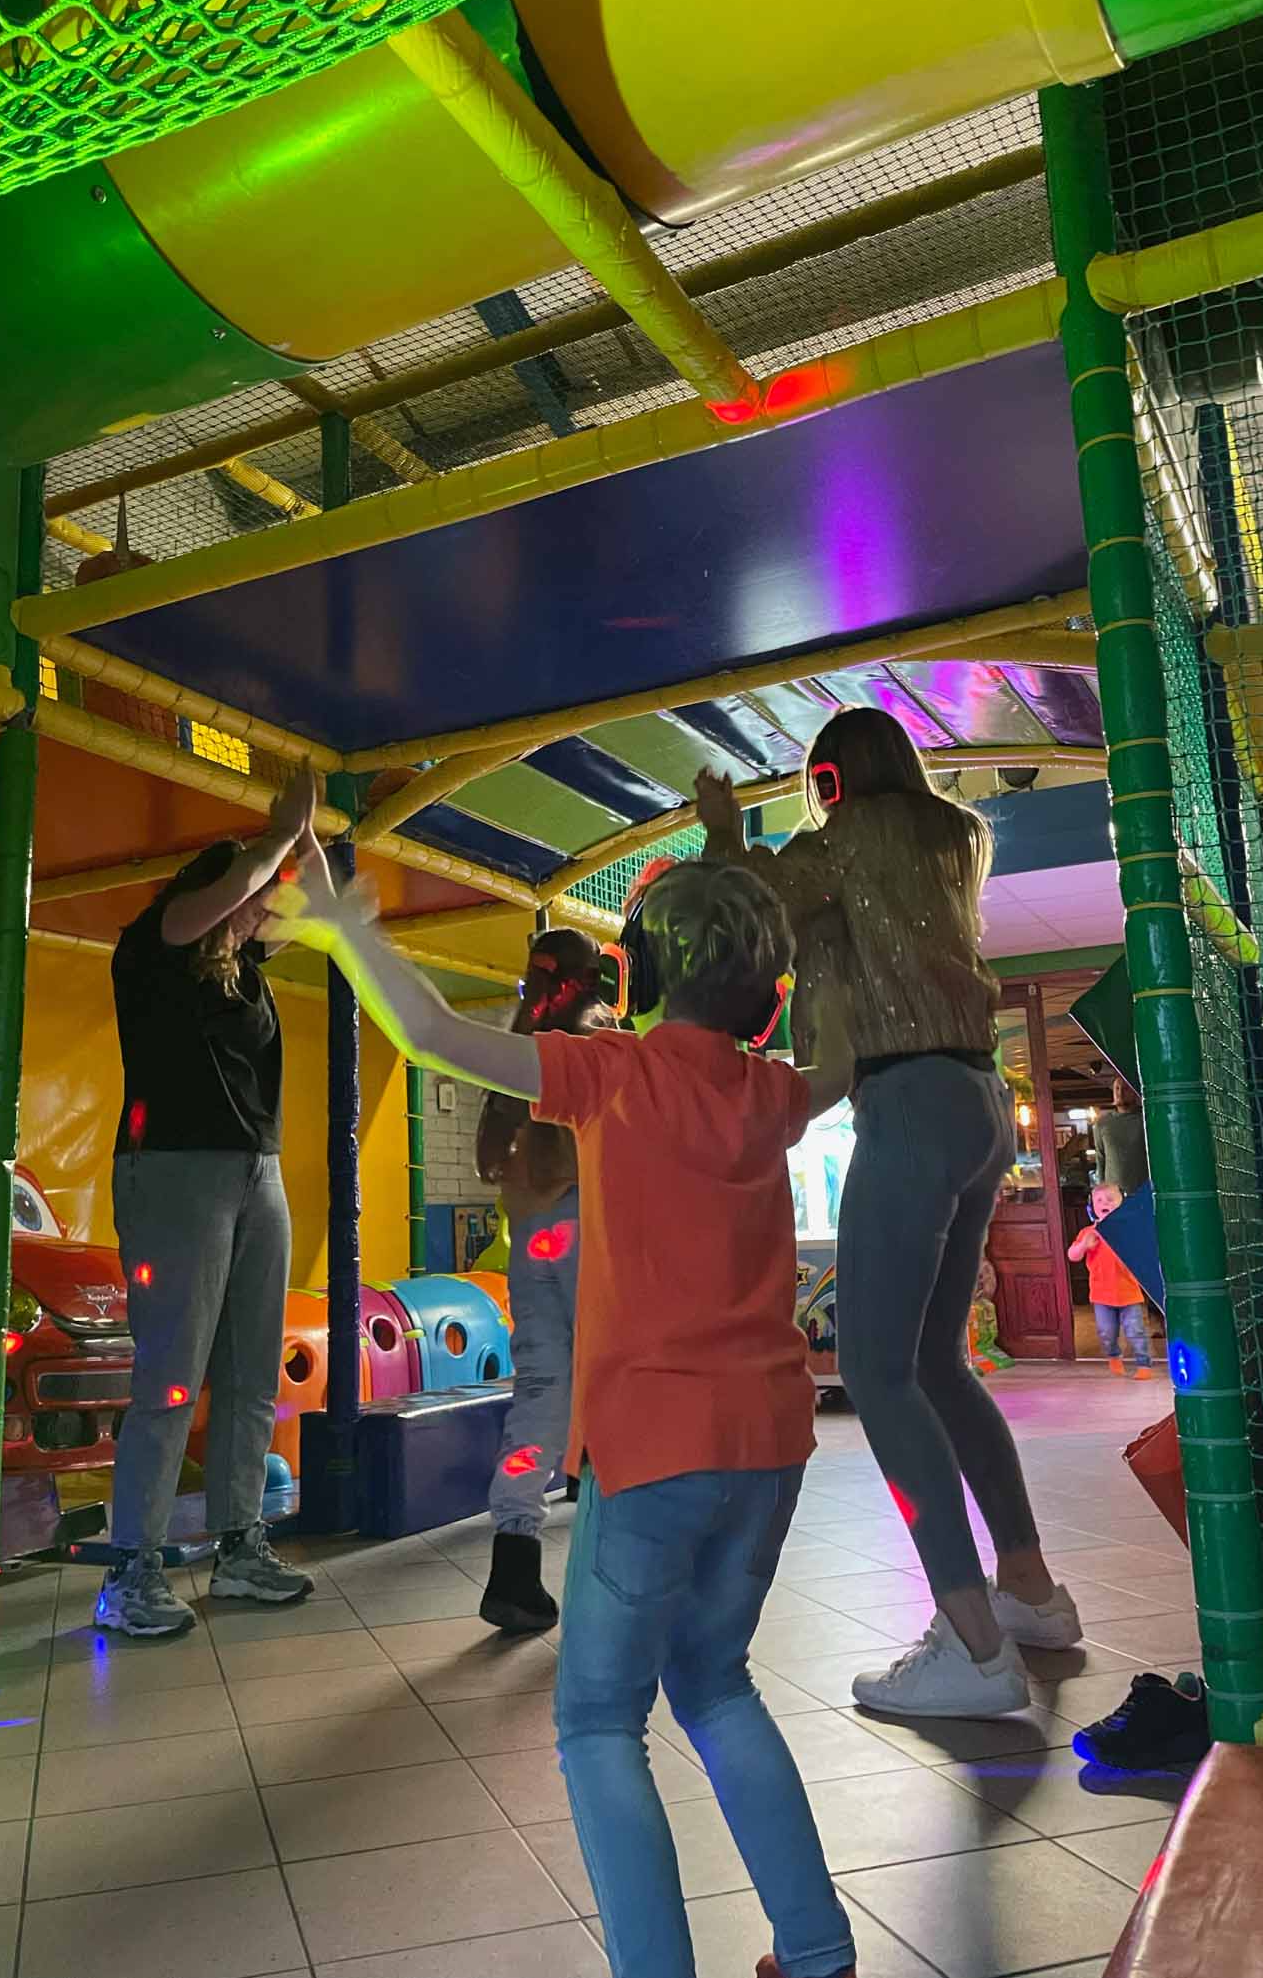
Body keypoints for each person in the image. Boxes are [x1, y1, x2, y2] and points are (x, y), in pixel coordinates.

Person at [279, 832, 858, 1978]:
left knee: (598, 1720)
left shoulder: (614, 1074)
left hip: (654, 1448)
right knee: (716, 1682)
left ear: (640, 974)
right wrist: (833, 953)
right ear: (763, 996)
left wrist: (349, 930)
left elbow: (431, 1035)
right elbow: (838, 1064)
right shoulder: (773, 1092)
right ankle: (819, 1949)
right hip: (772, 1444)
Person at [698, 707, 1081, 1720]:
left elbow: (755, 902)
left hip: (906, 1100)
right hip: (978, 1099)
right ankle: (1030, 1590)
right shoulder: (952, 838)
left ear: (832, 779)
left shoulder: (848, 838)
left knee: (873, 1371)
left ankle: (973, 1641)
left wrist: (728, 832)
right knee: (941, 1365)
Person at [96, 776, 319, 1638]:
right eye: (251, 894)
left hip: (255, 1170)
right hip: (175, 1173)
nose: (264, 909)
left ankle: (238, 1547)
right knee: (172, 1375)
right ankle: (131, 1569)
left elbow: (307, 906)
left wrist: (306, 846)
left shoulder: (245, 968)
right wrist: (276, 838)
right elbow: (229, 895)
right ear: (219, 888)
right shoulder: (154, 944)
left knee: (250, 1371)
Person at [473, 929, 610, 1633]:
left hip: (532, 1235)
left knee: (540, 1391)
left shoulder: (517, 1043)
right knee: (611, 1383)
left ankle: (515, 1560)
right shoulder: (600, 1034)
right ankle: (612, 1565)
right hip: (591, 1225)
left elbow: (487, 1158)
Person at [1069, 1182, 1154, 1378]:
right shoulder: (1088, 1233)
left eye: (1110, 1199)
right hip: (1101, 1295)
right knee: (1106, 1332)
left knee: (1136, 1331)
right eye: (1099, 1200)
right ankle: (1114, 1356)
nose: (1104, 1203)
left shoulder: (1129, 1231)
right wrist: (1083, 1245)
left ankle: (1144, 1364)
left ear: (1122, 1203)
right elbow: (1072, 1255)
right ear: (1091, 1207)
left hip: (1129, 1293)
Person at [1095, 1076, 1149, 1194]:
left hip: (1143, 1191)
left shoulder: (1146, 1118)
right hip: (1113, 1195)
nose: (1120, 1093)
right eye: (1117, 1088)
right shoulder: (1103, 1123)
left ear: (1134, 1091)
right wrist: (1101, 1191)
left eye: (1125, 1088)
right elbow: (1100, 1159)